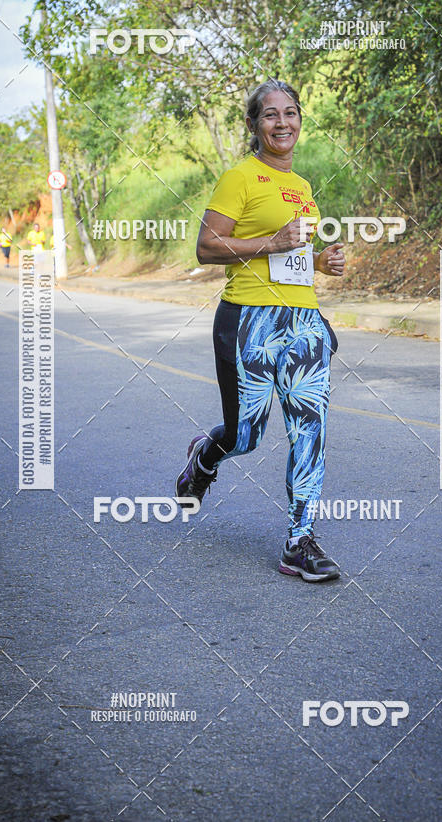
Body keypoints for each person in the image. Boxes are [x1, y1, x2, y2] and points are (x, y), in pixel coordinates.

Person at [176, 78, 346, 582]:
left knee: (310, 429)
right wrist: (270, 242)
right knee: (245, 436)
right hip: (248, 319)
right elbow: (207, 247)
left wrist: (318, 261)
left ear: (300, 121)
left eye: (290, 113)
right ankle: (206, 454)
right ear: (254, 125)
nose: (282, 122)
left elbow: (288, 257)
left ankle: (300, 540)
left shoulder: (303, 188)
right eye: (270, 115)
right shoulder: (239, 178)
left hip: (303, 320)